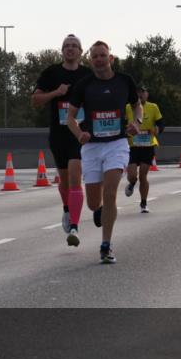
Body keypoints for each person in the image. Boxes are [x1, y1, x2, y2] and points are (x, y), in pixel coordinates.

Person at [66, 41, 141, 264]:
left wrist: (136, 122)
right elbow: (70, 118)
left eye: (103, 55)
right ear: (90, 61)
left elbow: (137, 106)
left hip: (117, 144)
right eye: (95, 56)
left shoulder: (124, 81)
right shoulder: (84, 85)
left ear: (111, 58)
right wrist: (79, 134)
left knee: (110, 193)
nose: (99, 59)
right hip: (92, 146)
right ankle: (98, 209)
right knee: (93, 203)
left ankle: (106, 246)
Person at [31, 34, 93, 247]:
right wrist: (56, 92)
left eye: (74, 46)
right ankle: (67, 209)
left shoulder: (88, 75)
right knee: (64, 181)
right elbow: (35, 100)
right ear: (62, 50)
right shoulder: (52, 73)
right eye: (66, 46)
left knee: (75, 177)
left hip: (80, 134)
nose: (70, 48)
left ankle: (74, 226)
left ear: (81, 51)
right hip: (59, 135)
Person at [124, 83, 163, 212]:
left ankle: (143, 203)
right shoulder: (128, 107)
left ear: (147, 94)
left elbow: (160, 124)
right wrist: (126, 129)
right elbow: (122, 123)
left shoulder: (153, 107)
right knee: (132, 175)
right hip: (132, 146)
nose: (140, 94)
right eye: (137, 92)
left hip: (148, 145)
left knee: (143, 176)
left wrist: (156, 130)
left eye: (142, 92)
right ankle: (132, 183)